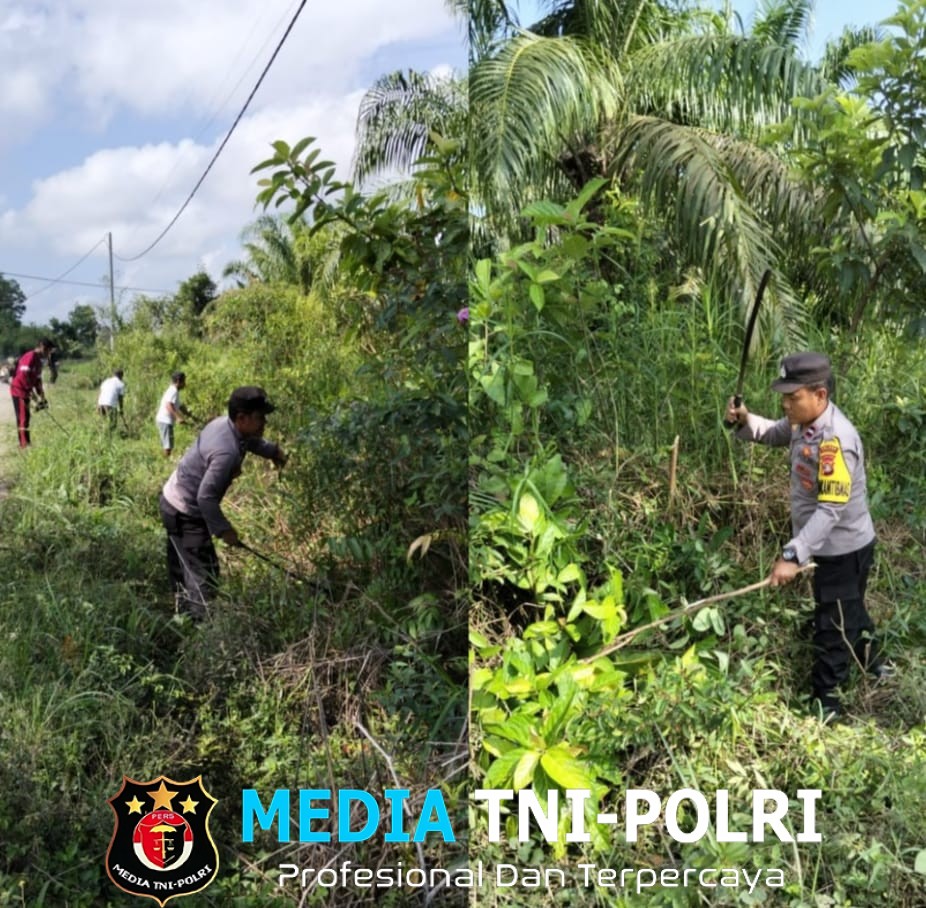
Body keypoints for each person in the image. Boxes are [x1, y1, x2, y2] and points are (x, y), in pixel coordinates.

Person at [726, 352, 890, 721]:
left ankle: (826, 704)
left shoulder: (835, 441)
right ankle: (874, 661)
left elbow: (830, 510)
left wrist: (792, 554)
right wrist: (745, 419)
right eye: (784, 397)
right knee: (848, 608)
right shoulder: (804, 422)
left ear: (820, 394)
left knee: (832, 625)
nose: (785, 404)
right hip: (827, 546)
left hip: (843, 550)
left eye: (793, 397)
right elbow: (773, 433)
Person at [158, 386, 287, 619]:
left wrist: (273, 451)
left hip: (170, 500)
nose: (265, 423)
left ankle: (181, 616)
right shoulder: (226, 452)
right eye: (260, 417)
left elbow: (251, 442)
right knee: (203, 573)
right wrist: (225, 530)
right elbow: (205, 497)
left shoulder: (225, 425)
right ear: (242, 418)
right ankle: (201, 626)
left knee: (182, 563)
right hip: (185, 512)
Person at [10, 338, 56, 448]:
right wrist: (32, 393)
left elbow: (38, 381)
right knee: (23, 418)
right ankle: (24, 446)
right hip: (19, 390)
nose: (49, 354)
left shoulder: (39, 362)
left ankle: (26, 442)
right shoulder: (30, 356)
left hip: (26, 391)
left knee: (26, 417)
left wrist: (42, 397)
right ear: (42, 347)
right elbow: (23, 375)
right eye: (48, 351)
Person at [155, 371, 192, 457]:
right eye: (184, 381)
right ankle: (164, 462)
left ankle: (165, 460)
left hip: (164, 420)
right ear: (178, 381)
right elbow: (168, 405)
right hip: (165, 420)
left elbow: (179, 405)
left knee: (168, 445)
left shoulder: (174, 391)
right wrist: (178, 418)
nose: (185, 384)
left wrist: (188, 414)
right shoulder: (173, 391)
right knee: (168, 447)